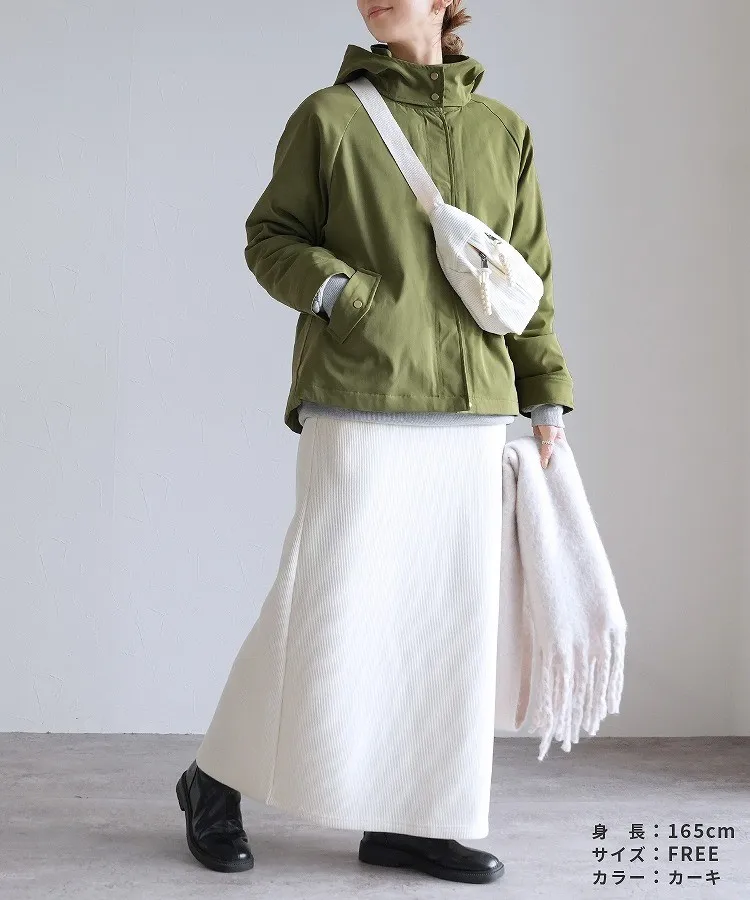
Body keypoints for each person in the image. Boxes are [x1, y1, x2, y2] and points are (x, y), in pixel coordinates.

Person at [176, 0, 574, 886]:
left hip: (473, 405)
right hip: (359, 391)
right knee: (320, 603)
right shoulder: (329, 117)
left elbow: (527, 277)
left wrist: (544, 395)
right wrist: (342, 296)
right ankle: (214, 777)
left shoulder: (505, 131)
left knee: (446, 620)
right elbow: (270, 237)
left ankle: (414, 821)